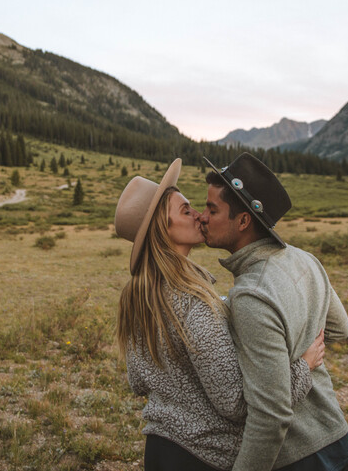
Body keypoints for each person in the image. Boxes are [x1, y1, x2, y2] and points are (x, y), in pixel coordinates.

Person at [114, 158, 326, 471]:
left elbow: (138, 381)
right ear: (163, 228)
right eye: (186, 211)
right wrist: (303, 368)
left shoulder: (136, 297)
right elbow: (236, 404)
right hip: (200, 455)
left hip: (158, 450)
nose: (199, 215)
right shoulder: (192, 302)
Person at [200, 152, 348, 471]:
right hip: (337, 439)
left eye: (212, 209)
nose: (202, 217)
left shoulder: (252, 295)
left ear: (242, 221)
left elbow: (270, 417)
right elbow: (340, 328)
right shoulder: (305, 259)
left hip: (297, 457)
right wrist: (302, 358)